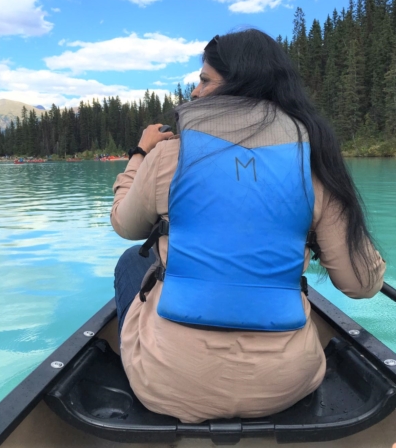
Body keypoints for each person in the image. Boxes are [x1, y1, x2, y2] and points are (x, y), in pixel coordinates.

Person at [110, 29, 385, 423]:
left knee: (130, 261)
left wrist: (140, 154)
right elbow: (361, 285)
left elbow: (125, 225)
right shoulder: (314, 161)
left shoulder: (168, 155)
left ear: (238, 83)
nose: (195, 92)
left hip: (168, 387)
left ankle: (150, 355)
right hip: (287, 386)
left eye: (205, 80)